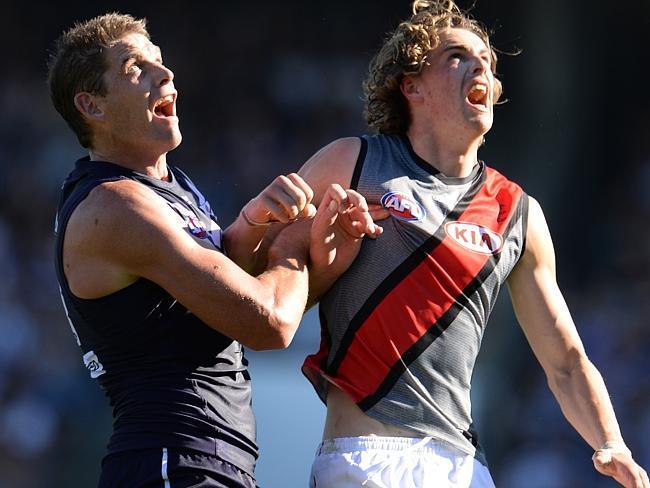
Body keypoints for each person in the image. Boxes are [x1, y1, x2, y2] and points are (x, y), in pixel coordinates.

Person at [298, 1, 650, 487]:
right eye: (457, 56)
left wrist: (611, 444)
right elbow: (262, 264)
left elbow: (566, 360)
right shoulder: (352, 164)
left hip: (463, 467)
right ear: (412, 86)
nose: (480, 65)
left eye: (486, 59)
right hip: (367, 459)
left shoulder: (518, 212)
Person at [47, 12, 382, 488]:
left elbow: (230, 297)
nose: (165, 75)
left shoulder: (170, 188)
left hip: (205, 462)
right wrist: (292, 244)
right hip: (171, 460)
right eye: (134, 68)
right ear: (92, 106)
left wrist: (272, 231)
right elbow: (268, 322)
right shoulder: (115, 206)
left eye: (159, 62)